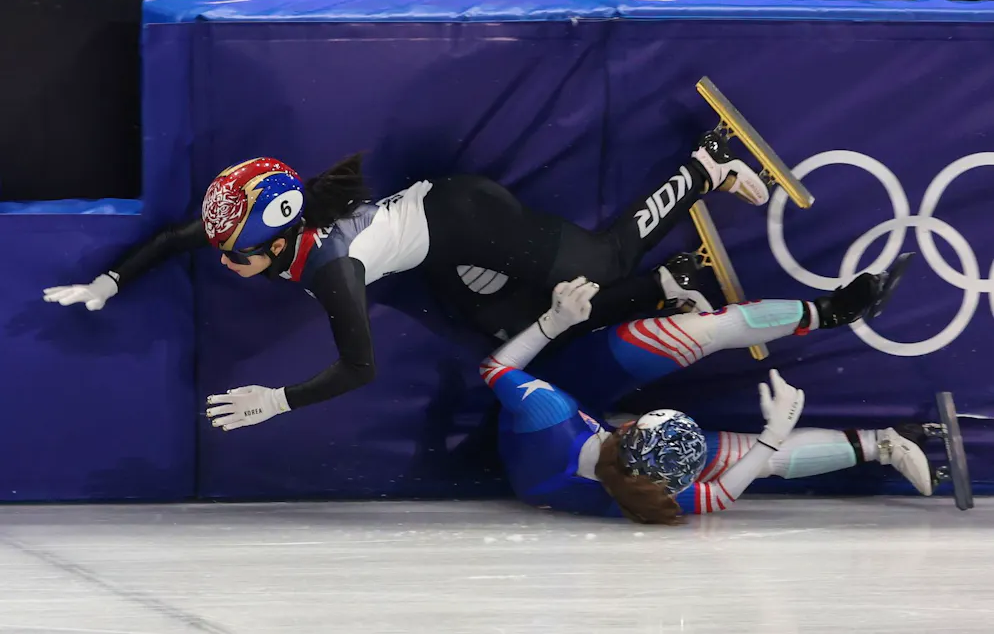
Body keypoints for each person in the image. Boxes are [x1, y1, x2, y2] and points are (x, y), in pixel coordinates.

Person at [42, 131, 767, 431]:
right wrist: (108, 282)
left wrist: (279, 400)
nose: (225, 262)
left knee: (602, 261)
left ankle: (706, 164)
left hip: (470, 220)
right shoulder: (266, 229)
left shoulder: (330, 269)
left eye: (236, 255)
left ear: (278, 241)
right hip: (438, 243)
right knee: (510, 328)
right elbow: (180, 236)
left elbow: (360, 367)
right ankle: (669, 282)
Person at [481, 270, 934, 524]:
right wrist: (770, 440)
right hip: (557, 449)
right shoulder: (641, 490)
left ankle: (831, 315)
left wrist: (554, 323)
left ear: (631, 427)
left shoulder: (551, 413)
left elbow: (495, 368)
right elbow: (719, 493)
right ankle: (884, 442)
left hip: (560, 406)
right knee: (756, 457)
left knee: (700, 333)